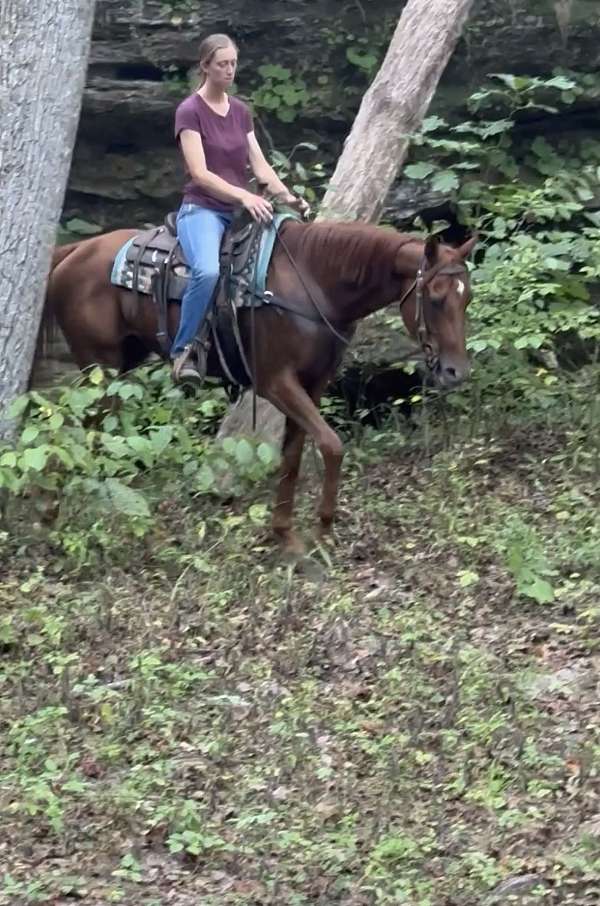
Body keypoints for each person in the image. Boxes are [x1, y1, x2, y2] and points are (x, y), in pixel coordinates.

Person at [172, 33, 309, 386]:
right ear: (205, 67)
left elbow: (260, 166)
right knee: (206, 271)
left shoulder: (240, 111)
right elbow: (200, 174)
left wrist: (289, 197)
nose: (230, 70)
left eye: (233, 63)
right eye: (222, 64)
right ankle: (184, 349)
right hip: (202, 209)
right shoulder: (190, 111)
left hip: (240, 211)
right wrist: (244, 196)